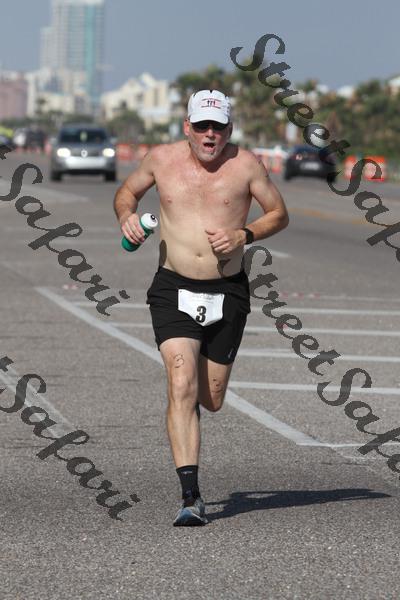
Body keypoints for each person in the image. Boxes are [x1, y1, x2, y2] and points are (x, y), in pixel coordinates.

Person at [113, 89, 289, 526]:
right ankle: (190, 497)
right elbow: (126, 193)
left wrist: (244, 235)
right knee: (181, 381)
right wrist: (127, 217)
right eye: (203, 126)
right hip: (172, 286)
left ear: (229, 129)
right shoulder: (161, 159)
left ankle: (197, 408)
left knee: (210, 398)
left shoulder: (246, 165)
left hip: (227, 290)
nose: (211, 135)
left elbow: (279, 214)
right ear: (187, 127)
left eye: (219, 127)